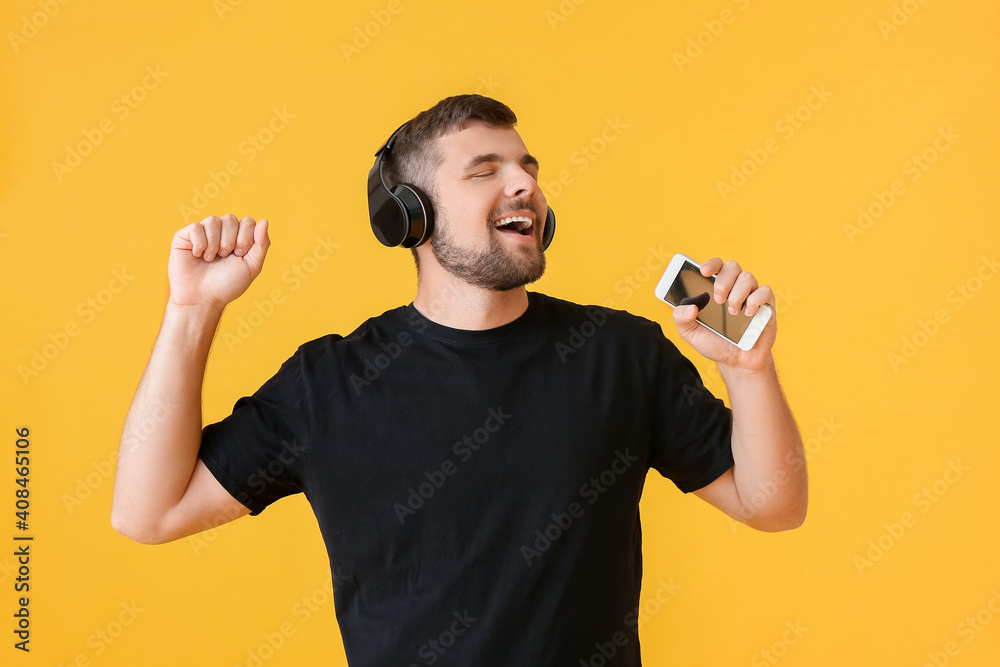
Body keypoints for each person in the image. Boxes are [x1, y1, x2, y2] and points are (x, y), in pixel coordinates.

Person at [112, 94, 807, 666]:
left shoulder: (620, 353)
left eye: (528, 167)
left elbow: (772, 503)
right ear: (408, 215)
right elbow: (148, 511)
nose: (525, 183)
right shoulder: (329, 383)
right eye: (485, 170)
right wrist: (192, 310)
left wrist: (748, 370)